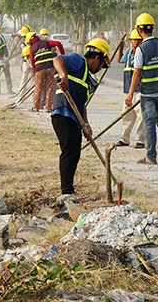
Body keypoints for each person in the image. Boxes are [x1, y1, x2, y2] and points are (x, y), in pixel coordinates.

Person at [51, 38, 111, 198]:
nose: (100, 70)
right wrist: (64, 76)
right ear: (97, 58)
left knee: (74, 152)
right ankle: (66, 192)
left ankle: (68, 189)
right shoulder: (79, 61)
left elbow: (82, 104)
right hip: (63, 112)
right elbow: (57, 59)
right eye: (102, 65)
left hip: (74, 117)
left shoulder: (87, 78)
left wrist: (86, 124)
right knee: (69, 152)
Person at [125, 13, 158, 165]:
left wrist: (130, 94)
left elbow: (136, 73)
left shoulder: (141, 49)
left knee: (149, 123)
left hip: (148, 94)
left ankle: (151, 156)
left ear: (139, 29)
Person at [115, 29, 145, 149]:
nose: (136, 42)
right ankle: (124, 139)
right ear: (130, 41)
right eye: (133, 40)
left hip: (139, 91)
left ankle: (140, 140)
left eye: (138, 40)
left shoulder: (142, 54)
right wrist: (120, 47)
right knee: (126, 115)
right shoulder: (128, 54)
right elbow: (119, 59)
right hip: (129, 92)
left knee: (141, 116)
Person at [27, 30, 64, 112]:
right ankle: (48, 107)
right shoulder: (46, 42)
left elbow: (33, 62)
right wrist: (63, 55)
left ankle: (36, 107)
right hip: (50, 68)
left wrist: (34, 72)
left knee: (38, 88)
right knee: (50, 87)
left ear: (30, 41)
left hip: (39, 70)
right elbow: (58, 43)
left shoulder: (32, 48)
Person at [12, 25, 34, 100]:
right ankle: (21, 96)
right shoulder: (23, 43)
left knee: (33, 79)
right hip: (26, 61)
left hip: (32, 61)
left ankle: (34, 95)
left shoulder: (32, 41)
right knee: (24, 79)